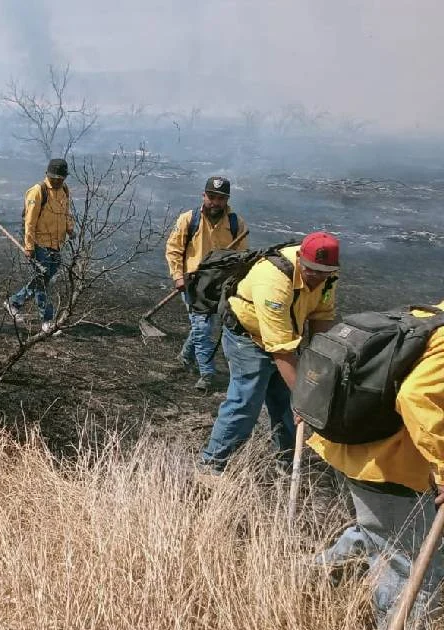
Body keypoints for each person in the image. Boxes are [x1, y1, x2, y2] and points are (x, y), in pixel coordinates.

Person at [309, 300, 444, 628]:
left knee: (375, 528)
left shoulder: (430, 314)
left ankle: (307, 573)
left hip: (355, 449)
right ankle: (397, 620)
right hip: (386, 466)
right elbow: (416, 395)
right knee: (407, 565)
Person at [198, 232, 339, 473]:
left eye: (323, 272)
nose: (317, 278)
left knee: (285, 402)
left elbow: (321, 316)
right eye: (311, 271)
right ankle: (212, 464)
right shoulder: (273, 280)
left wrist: (317, 362)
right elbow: (281, 351)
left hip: (284, 339)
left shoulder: (328, 276)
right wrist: (305, 400)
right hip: (248, 339)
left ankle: (287, 461)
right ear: (300, 259)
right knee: (246, 401)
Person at [164, 176, 249, 391]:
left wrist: (237, 284)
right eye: (211, 196)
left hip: (221, 286)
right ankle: (207, 374)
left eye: (220, 198)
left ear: (227, 199)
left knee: (204, 326)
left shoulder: (236, 223)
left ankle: (185, 356)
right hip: (193, 283)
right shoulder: (189, 219)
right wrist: (178, 276)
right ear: (204, 196)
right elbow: (173, 249)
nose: (215, 202)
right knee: (203, 328)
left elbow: (242, 259)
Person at [4, 158, 74, 334]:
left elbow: (66, 213)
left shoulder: (65, 190)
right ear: (47, 175)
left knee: (42, 279)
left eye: (60, 178)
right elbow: (30, 222)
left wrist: (70, 229)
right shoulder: (37, 192)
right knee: (42, 283)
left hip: (56, 244)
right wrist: (29, 246)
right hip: (40, 245)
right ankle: (47, 321)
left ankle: (14, 302)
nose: (57, 181)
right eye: (54, 178)